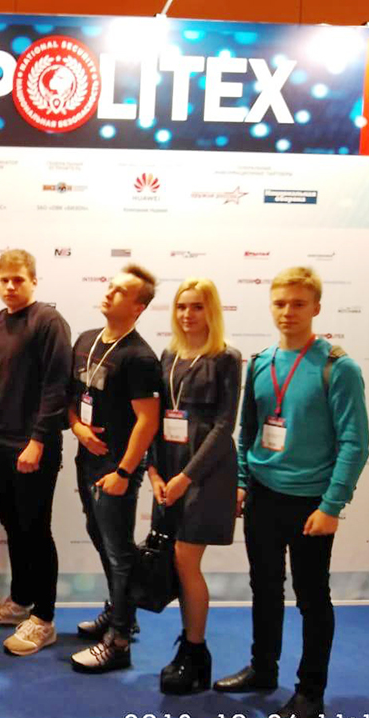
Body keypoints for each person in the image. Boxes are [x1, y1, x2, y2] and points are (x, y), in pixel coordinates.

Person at [214, 266, 369, 718]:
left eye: (298, 303)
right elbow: (247, 432)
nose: (288, 312)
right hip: (262, 497)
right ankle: (263, 669)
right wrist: (242, 481)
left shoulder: (338, 367)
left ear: (316, 307)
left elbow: (355, 443)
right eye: (280, 303)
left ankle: (310, 692)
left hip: (310, 505)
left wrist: (331, 506)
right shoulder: (261, 362)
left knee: (312, 599)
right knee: (264, 588)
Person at [146, 278, 241, 693]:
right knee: (176, 561)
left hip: (207, 473)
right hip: (169, 470)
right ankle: (191, 651)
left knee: (186, 559)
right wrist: (154, 472)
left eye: (197, 306)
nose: (188, 314)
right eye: (182, 306)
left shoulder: (226, 357)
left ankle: (195, 649)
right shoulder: (169, 355)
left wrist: (187, 477)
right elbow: (156, 419)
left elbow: (224, 426)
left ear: (211, 310)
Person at [0, 250, 71, 656]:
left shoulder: (49, 322)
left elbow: (56, 386)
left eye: (18, 279)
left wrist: (38, 441)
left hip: (34, 446)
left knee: (36, 530)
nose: (11, 286)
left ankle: (44, 619)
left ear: (34, 280)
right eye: (4, 279)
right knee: (14, 527)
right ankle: (20, 601)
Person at [70, 264, 161, 673]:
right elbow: (73, 398)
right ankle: (120, 611)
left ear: (138, 307)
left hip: (116, 468)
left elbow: (148, 421)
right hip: (87, 459)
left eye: (121, 291)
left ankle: (119, 641)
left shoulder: (139, 356)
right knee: (100, 538)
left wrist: (124, 473)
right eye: (110, 286)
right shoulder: (86, 340)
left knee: (120, 552)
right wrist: (77, 428)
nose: (109, 293)